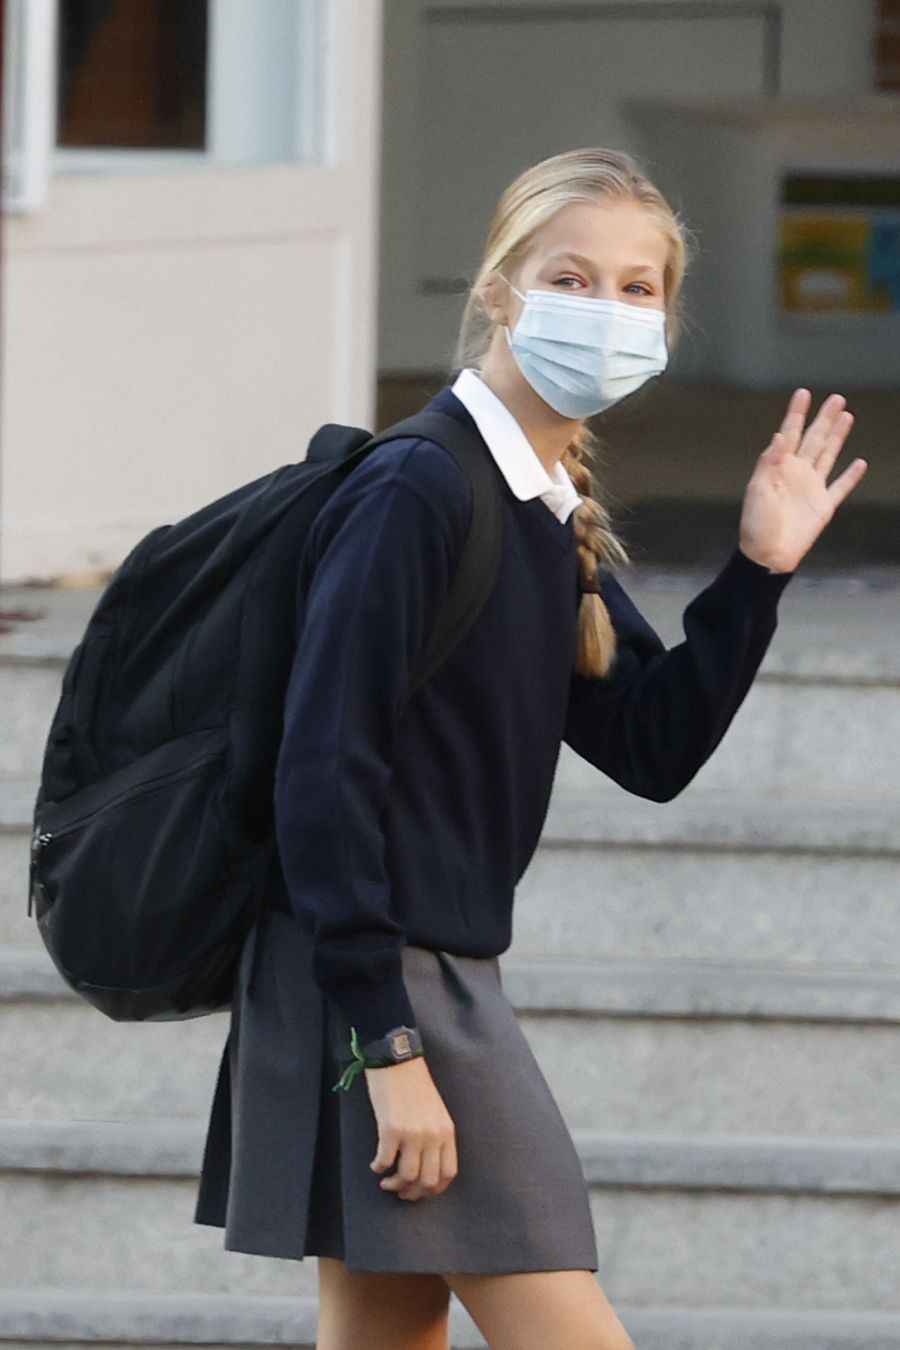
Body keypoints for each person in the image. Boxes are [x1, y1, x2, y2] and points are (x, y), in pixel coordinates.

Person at [193, 147, 866, 1350]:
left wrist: (759, 569)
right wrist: (388, 1045)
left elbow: (652, 744)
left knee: (385, 1335)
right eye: (573, 277)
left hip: (414, 975)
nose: (607, 312)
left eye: (636, 288)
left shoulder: (543, 507)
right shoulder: (421, 489)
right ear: (502, 292)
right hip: (380, 984)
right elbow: (322, 767)